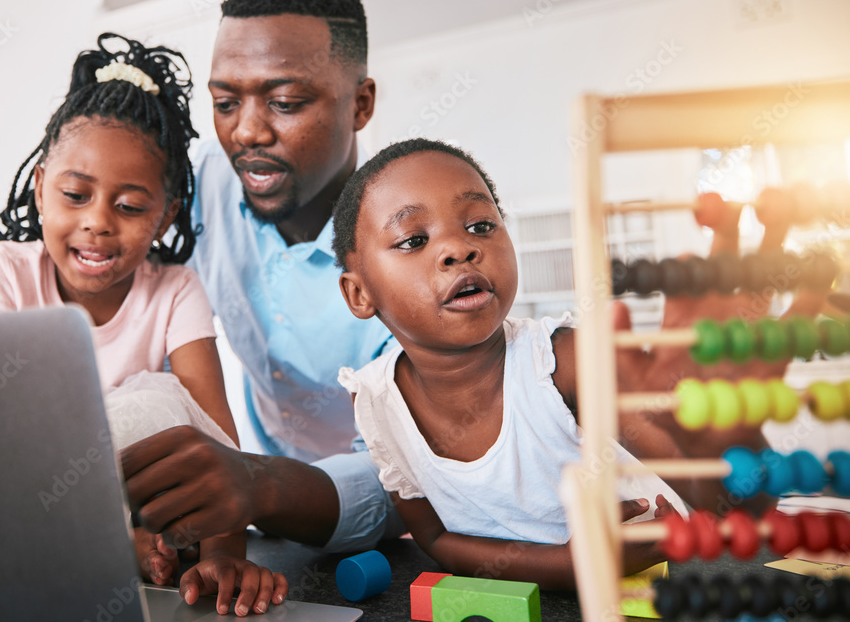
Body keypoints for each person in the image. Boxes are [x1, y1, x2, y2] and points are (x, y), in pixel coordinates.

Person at [328, 138, 827, 589]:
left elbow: (719, 506)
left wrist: (725, 443)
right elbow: (434, 537)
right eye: (414, 240)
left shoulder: (563, 362)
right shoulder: (375, 399)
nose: (460, 248)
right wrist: (569, 566)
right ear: (359, 292)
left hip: (677, 584)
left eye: (480, 225)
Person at [0, 33, 286, 617]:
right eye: (75, 195)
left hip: (142, 503)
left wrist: (226, 550)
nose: (98, 223)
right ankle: (105, 544)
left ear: (166, 214)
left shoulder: (175, 290)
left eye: (129, 206)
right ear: (41, 187)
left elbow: (215, 441)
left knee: (158, 398)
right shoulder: (3, 274)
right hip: (18, 503)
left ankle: (125, 543)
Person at [122, 0, 402, 564]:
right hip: (254, 504)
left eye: (285, 102)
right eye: (225, 102)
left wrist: (258, 485)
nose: (245, 131)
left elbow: (408, 471)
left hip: (392, 520)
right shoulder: (205, 187)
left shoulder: (411, 248)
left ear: (361, 104)